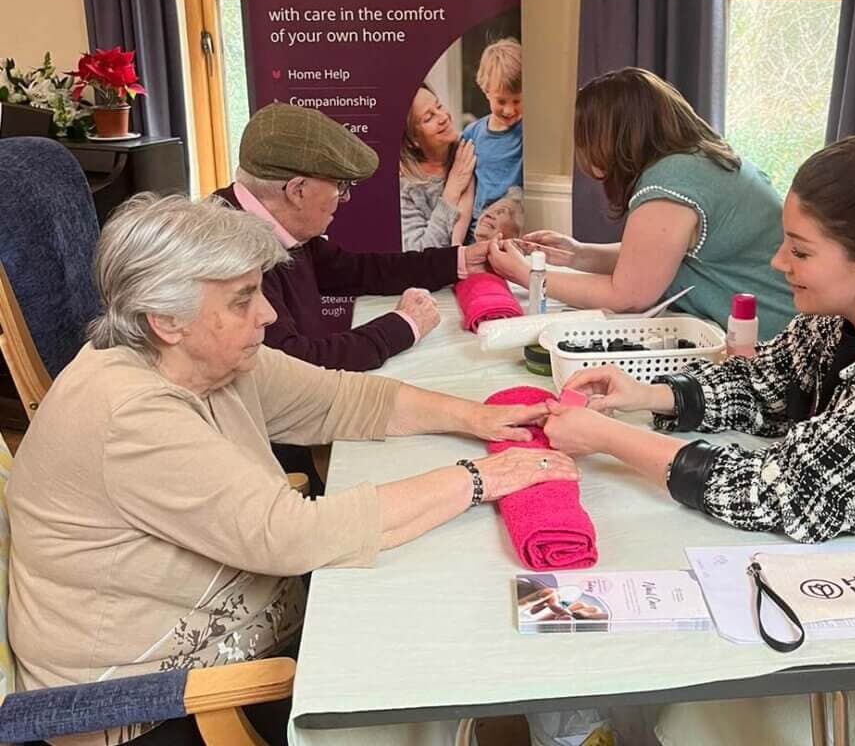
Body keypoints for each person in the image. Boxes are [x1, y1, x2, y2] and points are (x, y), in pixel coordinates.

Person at [5, 194, 576, 746]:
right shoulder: (131, 414)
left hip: (247, 633)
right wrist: (481, 478)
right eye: (242, 299)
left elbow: (342, 399)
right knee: (426, 657)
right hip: (164, 701)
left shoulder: (201, 357)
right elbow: (295, 536)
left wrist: (479, 417)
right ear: (166, 319)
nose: (268, 313)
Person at [542, 108, 855, 745]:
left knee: (703, 708)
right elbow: (769, 381)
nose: (778, 261)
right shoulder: (849, 316)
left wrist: (608, 437)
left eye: (800, 250)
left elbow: (779, 492)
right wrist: (643, 394)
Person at [489, 68, 795, 339]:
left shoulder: (672, 179)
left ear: (610, 137)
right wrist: (576, 254)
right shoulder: (700, 162)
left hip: (768, 338)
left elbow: (629, 296)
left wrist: (528, 276)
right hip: (782, 324)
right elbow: (653, 258)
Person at [217, 101, 490, 372]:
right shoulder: (231, 256)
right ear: (297, 190)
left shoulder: (274, 224)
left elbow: (358, 270)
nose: (345, 198)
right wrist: (405, 323)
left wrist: (461, 259)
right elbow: (299, 365)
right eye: (341, 186)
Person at [399, 83, 478, 249]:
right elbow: (421, 253)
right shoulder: (405, 187)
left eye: (439, 106)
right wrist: (452, 191)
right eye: (429, 118)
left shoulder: (470, 150)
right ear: (413, 140)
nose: (443, 117)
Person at [461, 37, 524, 235]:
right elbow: (464, 186)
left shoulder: (527, 132)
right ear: (486, 91)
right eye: (501, 101)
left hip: (512, 229)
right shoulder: (472, 133)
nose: (509, 109)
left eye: (517, 100)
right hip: (477, 229)